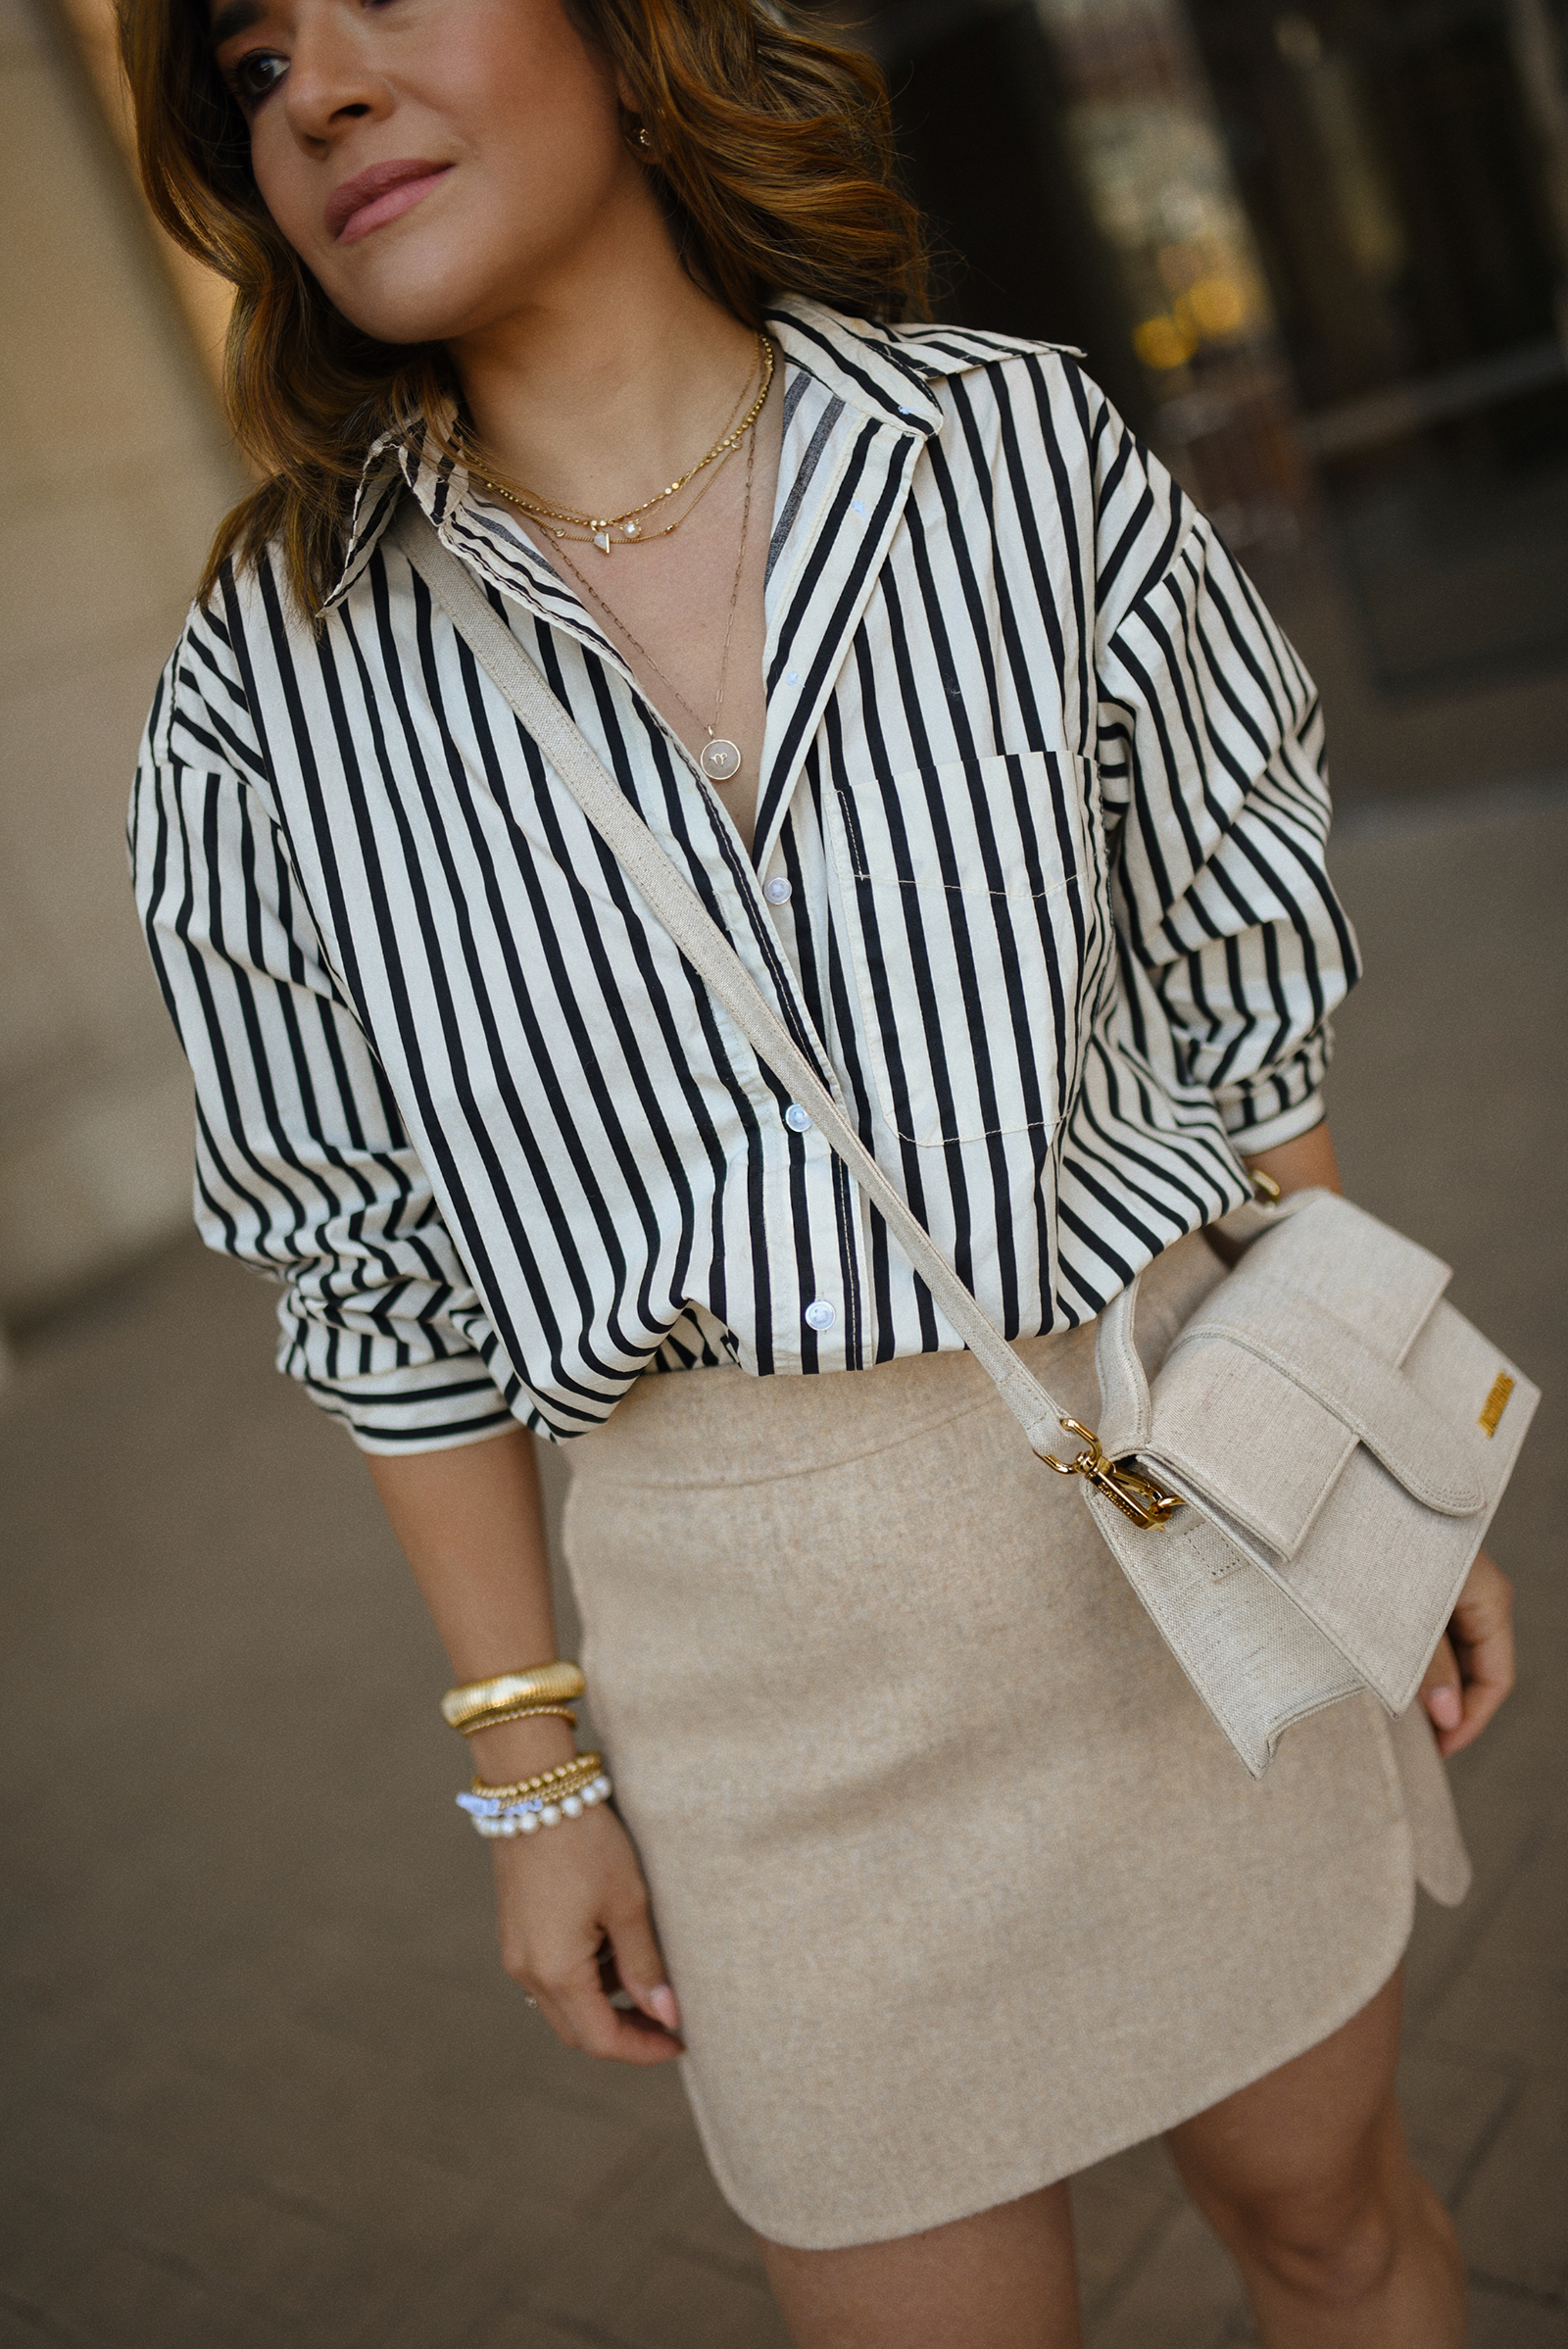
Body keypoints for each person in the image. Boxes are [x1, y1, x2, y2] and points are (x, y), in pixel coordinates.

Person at [122, 0, 1515, 2335]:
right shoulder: (273, 677)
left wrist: (1368, 1428)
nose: (325, 89)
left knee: (1335, 2227)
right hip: (756, 1693)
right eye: (252, 68)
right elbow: (364, 1273)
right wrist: (526, 1774)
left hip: (1173, 1515)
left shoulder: (1009, 453)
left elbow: (1235, 963)